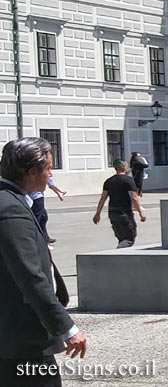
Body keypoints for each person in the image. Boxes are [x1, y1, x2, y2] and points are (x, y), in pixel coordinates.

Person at [0, 138, 87, 386]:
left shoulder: (9, 200)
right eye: (49, 168)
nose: (51, 175)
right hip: (22, 339)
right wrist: (66, 327)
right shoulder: (10, 208)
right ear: (32, 172)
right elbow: (30, 276)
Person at [93, 160, 147, 248]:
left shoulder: (109, 181)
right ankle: (117, 255)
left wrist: (97, 214)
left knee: (122, 238)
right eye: (127, 166)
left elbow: (103, 199)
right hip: (124, 214)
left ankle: (122, 257)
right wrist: (141, 213)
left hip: (112, 214)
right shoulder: (128, 180)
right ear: (124, 167)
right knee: (129, 238)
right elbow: (134, 197)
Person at [30, 177, 67, 246]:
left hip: (35, 197)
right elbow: (51, 183)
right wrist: (60, 192)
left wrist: (59, 193)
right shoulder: (41, 172)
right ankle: (36, 238)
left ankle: (45, 237)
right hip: (36, 198)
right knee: (39, 218)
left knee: (43, 217)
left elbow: (50, 183)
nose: (50, 173)